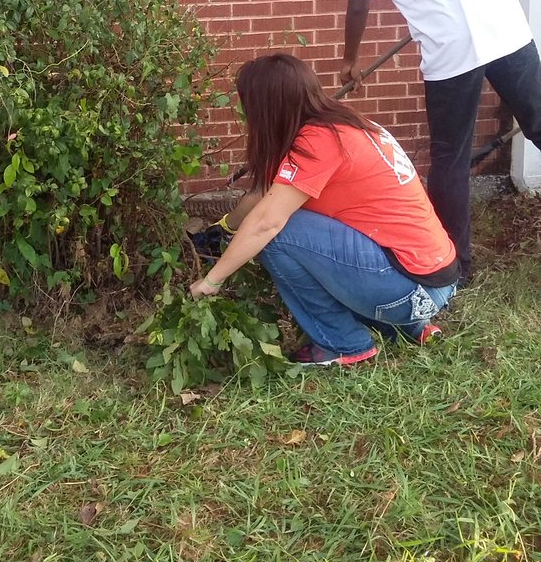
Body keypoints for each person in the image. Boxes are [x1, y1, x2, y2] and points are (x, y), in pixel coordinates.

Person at [340, 0, 541, 280]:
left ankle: (455, 267)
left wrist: (349, 60)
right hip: (503, 29)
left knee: (450, 158)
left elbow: (358, 0)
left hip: (449, 51)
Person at [189, 54, 460, 367]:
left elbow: (266, 222)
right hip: (432, 282)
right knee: (277, 222)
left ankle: (343, 343)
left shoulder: (318, 142)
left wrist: (211, 281)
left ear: (266, 107)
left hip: (409, 290)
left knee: (277, 233)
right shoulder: (343, 124)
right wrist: (224, 227)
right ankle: (408, 329)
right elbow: (265, 192)